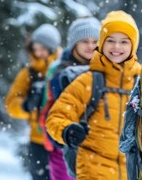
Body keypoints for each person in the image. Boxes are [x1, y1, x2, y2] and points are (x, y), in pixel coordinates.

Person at [45, 10, 142, 180]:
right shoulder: (88, 81)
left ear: (133, 46)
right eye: (110, 41)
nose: (117, 47)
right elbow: (55, 118)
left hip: (131, 172)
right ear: (102, 44)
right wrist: (67, 131)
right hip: (92, 170)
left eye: (124, 42)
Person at [39, 17, 101, 180]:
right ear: (74, 44)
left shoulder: (105, 69)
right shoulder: (61, 70)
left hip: (95, 143)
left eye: (95, 41)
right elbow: (52, 106)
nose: (90, 46)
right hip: (64, 140)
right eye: (84, 41)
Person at [5, 23, 61, 180]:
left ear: (52, 49)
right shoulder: (28, 73)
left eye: (42, 49)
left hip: (60, 137)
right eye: (35, 48)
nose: (38, 53)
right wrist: (25, 105)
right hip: (37, 138)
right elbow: (10, 104)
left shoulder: (63, 69)